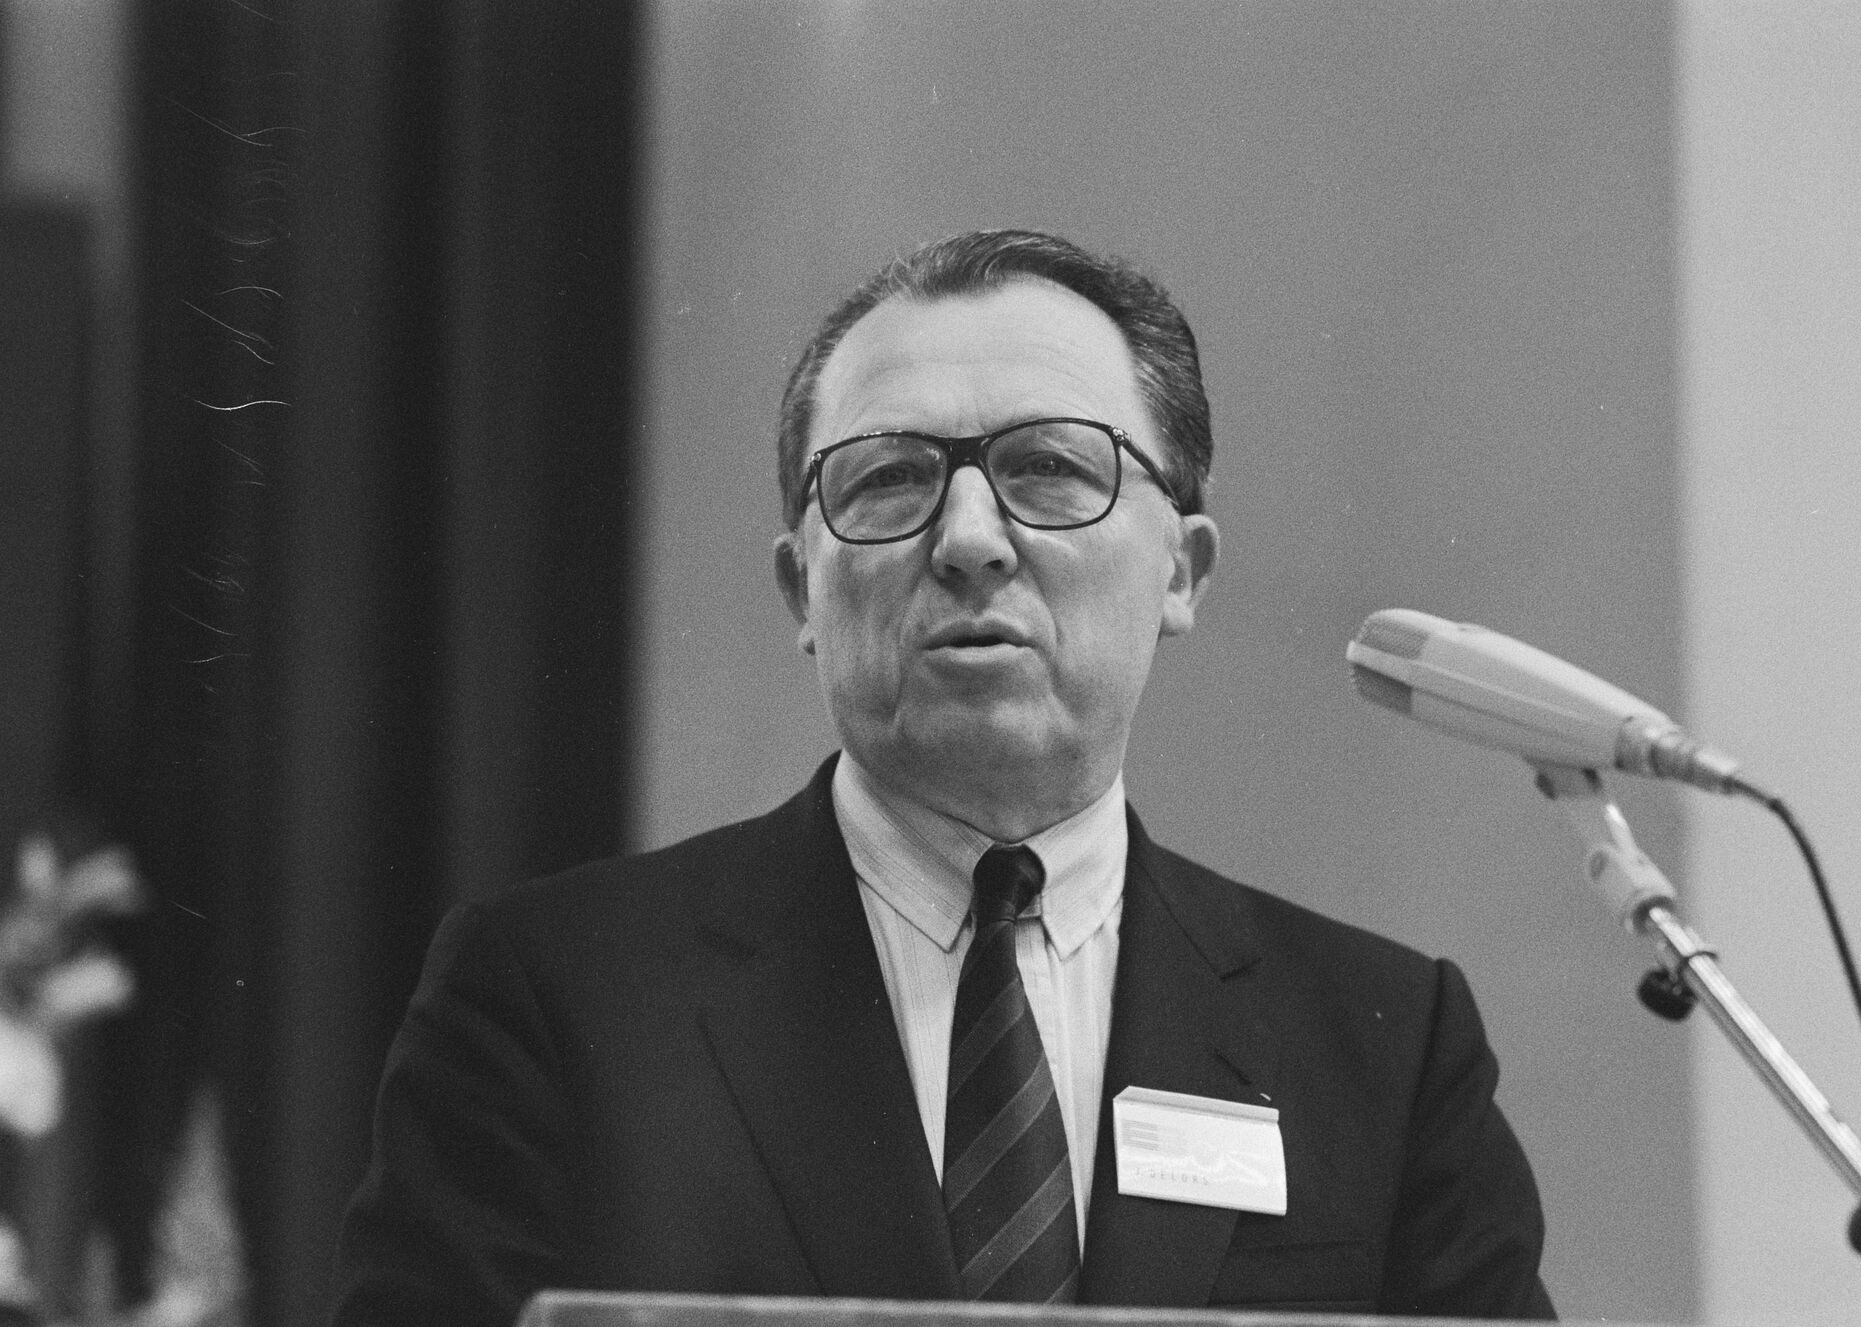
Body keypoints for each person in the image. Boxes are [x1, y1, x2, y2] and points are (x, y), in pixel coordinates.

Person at [331, 229, 1556, 1326]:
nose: (968, 539)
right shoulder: (553, 1004)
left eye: (1049, 470)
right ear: (798, 590)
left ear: (1181, 570)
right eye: (888, 480)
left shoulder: (1382, 1047)